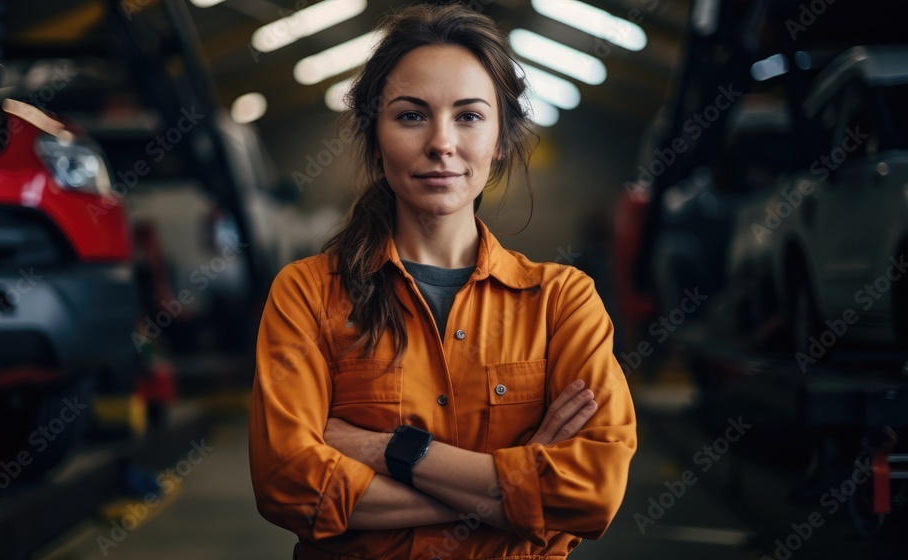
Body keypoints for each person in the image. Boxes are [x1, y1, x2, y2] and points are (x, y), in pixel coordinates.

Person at [248, 4, 637, 559]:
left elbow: (593, 491)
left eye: (469, 116)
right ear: (373, 133)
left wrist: (390, 453)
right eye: (410, 115)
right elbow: (288, 483)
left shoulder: (562, 302)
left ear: (500, 138)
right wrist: (513, 490)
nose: (441, 143)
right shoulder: (308, 294)